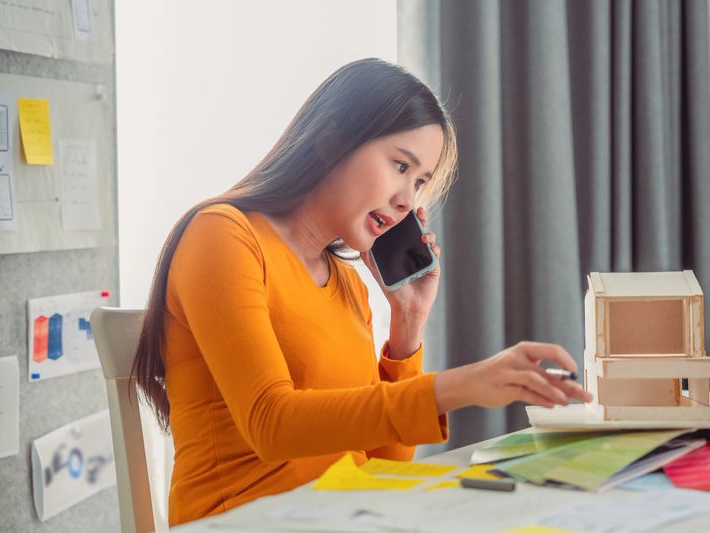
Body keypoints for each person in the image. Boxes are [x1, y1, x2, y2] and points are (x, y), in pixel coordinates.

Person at [132, 58, 592, 525]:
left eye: (419, 183)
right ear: (332, 140)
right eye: (399, 165)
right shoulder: (223, 235)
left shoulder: (347, 279)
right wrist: (460, 386)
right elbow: (271, 424)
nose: (407, 201)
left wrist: (407, 328)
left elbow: (383, 466)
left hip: (340, 514)